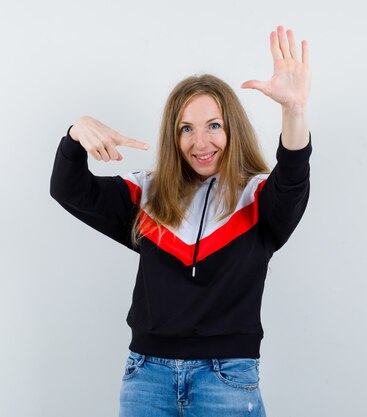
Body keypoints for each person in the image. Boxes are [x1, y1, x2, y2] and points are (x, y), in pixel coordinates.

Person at [50, 25, 312, 417]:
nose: (200, 143)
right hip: (146, 377)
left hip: (224, 379)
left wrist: (294, 110)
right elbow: (68, 189)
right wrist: (76, 132)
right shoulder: (148, 194)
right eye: (186, 128)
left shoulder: (258, 196)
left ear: (232, 129)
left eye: (214, 126)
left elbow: (291, 180)